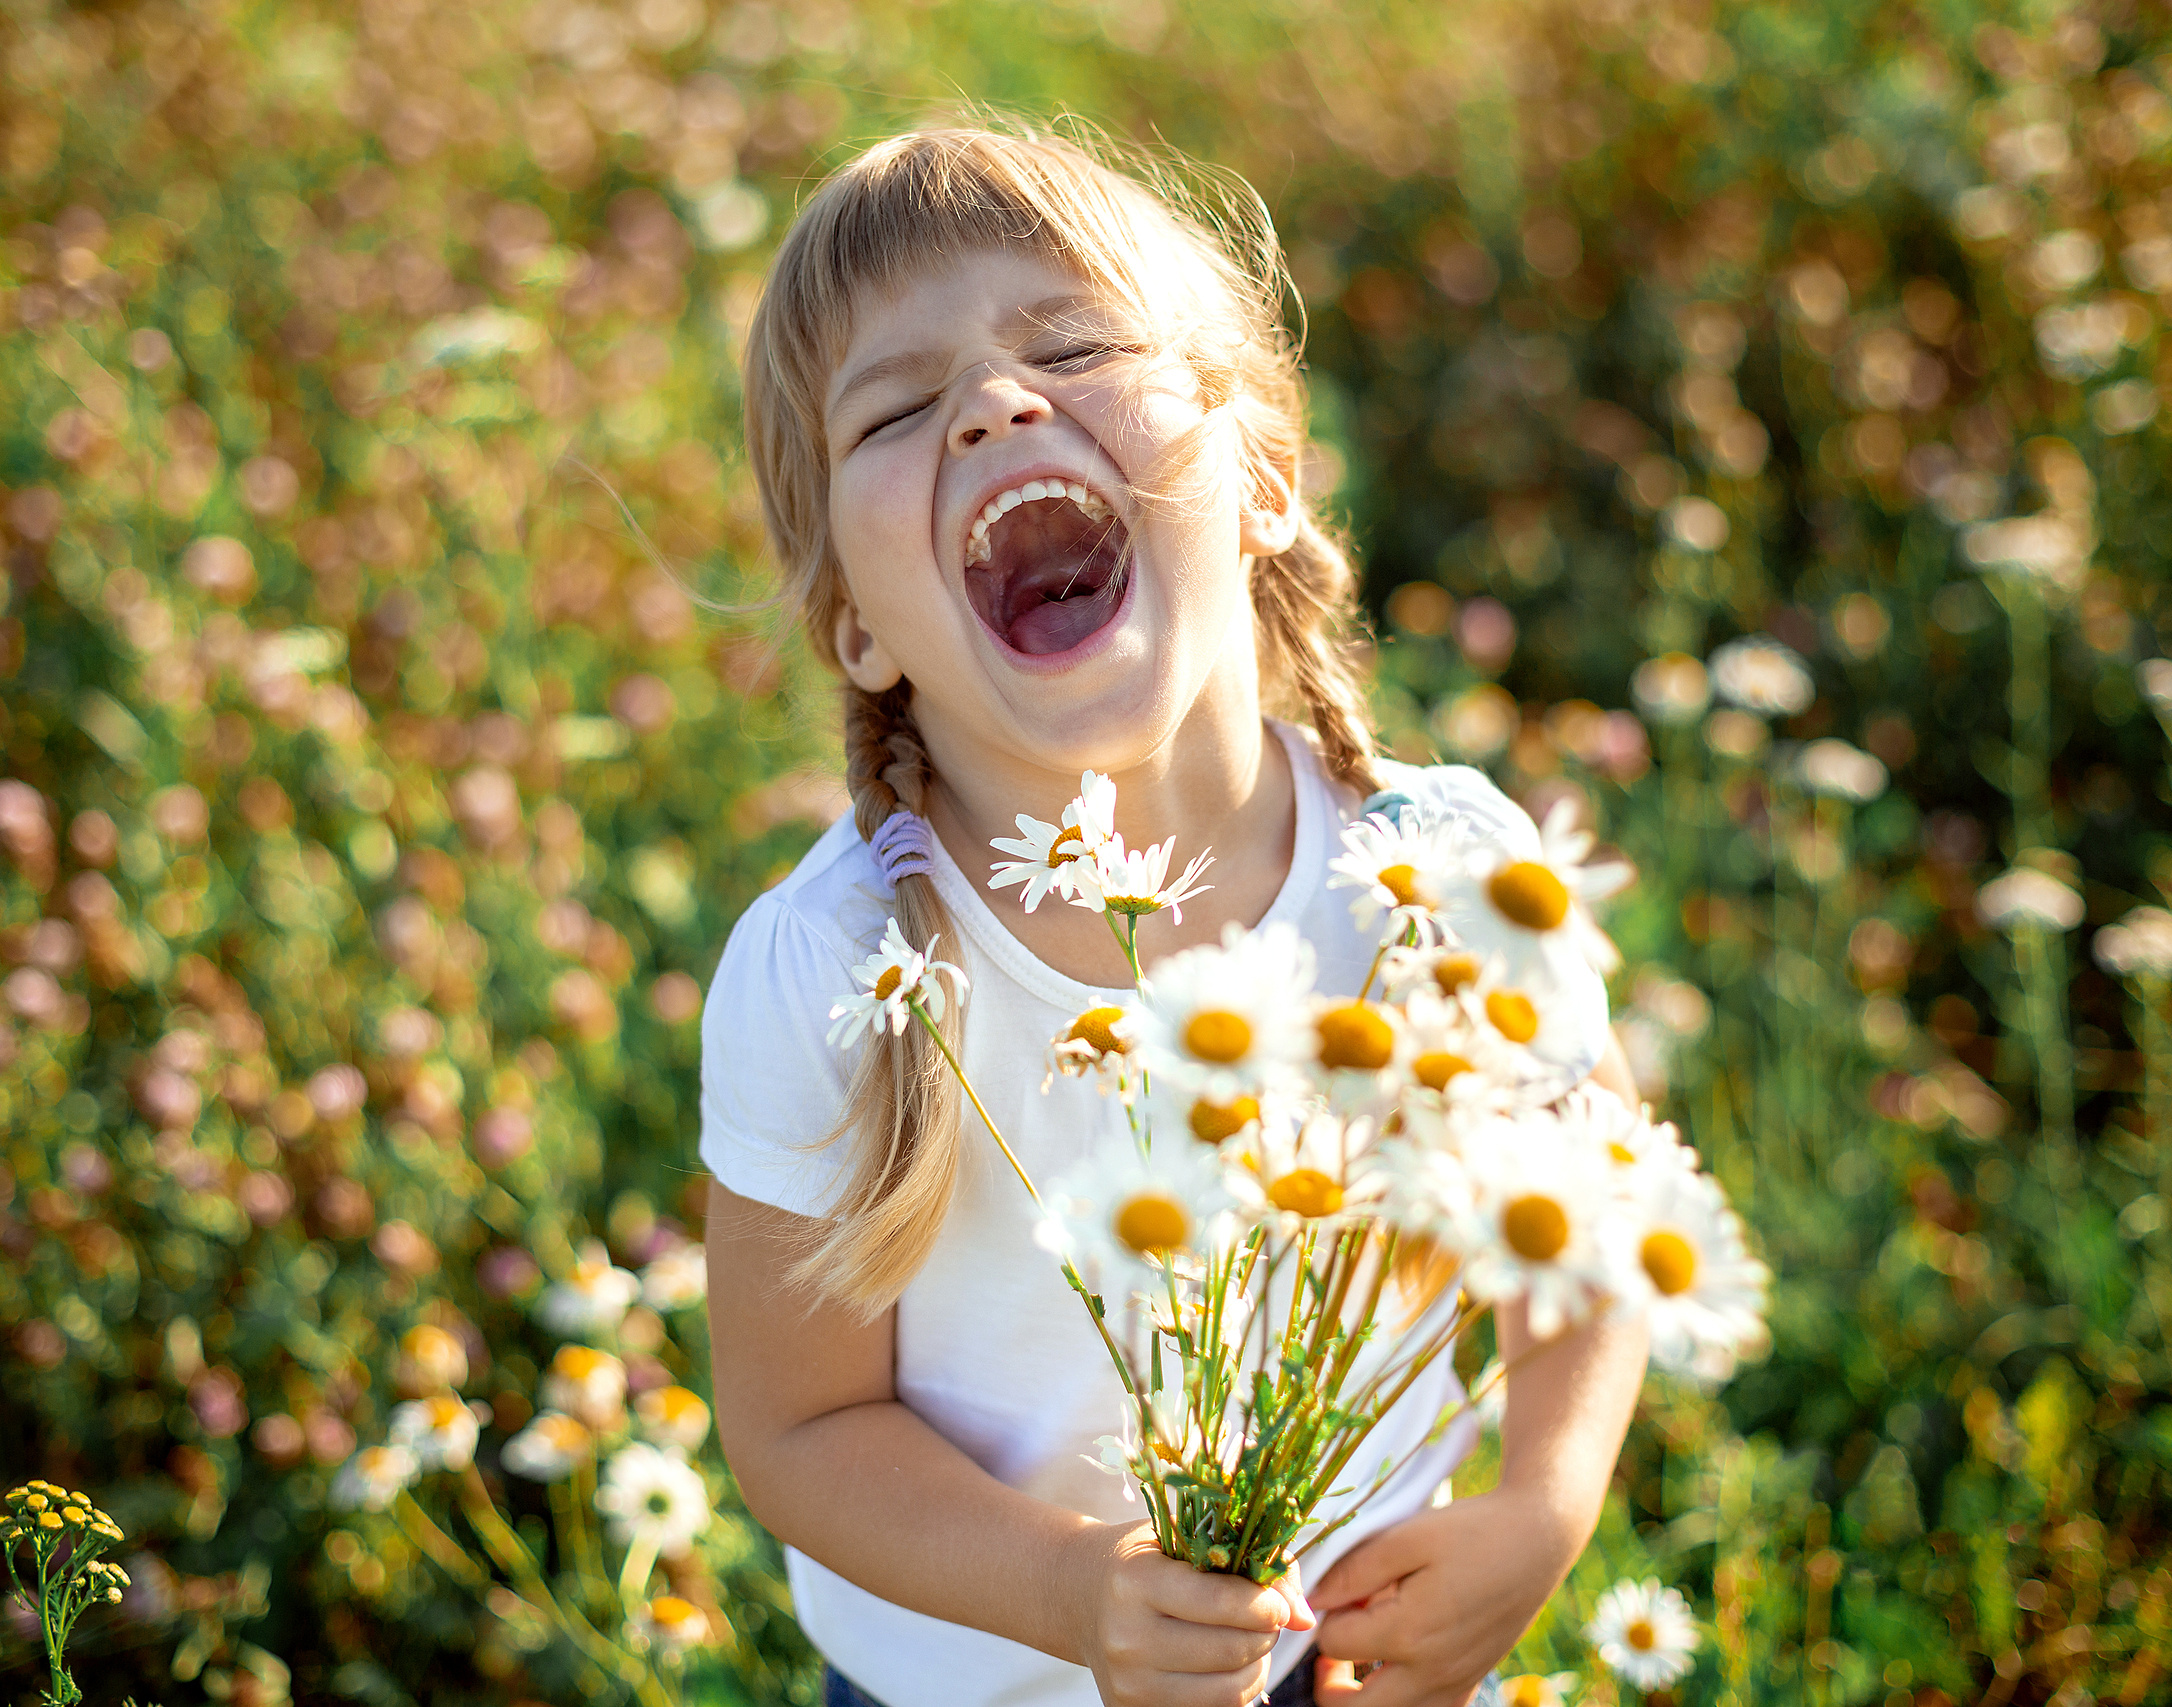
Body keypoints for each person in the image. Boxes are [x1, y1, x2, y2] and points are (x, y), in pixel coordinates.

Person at [700, 122, 1647, 1707]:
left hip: (1359, 1659)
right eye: (901, 407)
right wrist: (1074, 1593)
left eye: (1070, 346)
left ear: (1263, 476)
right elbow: (798, 1432)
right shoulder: (834, 971)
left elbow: (1595, 1204)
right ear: (856, 624)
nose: (998, 402)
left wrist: (1541, 1506)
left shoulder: (1450, 886)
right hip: (981, 1677)